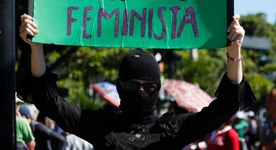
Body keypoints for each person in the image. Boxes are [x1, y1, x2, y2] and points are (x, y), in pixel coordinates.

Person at [18, 13, 256, 150]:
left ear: (158, 88)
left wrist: (234, 49)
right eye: (133, 85)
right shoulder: (101, 125)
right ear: (121, 85)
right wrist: (36, 47)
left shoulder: (173, 129)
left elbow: (227, 103)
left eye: (149, 86)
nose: (141, 92)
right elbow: (48, 101)